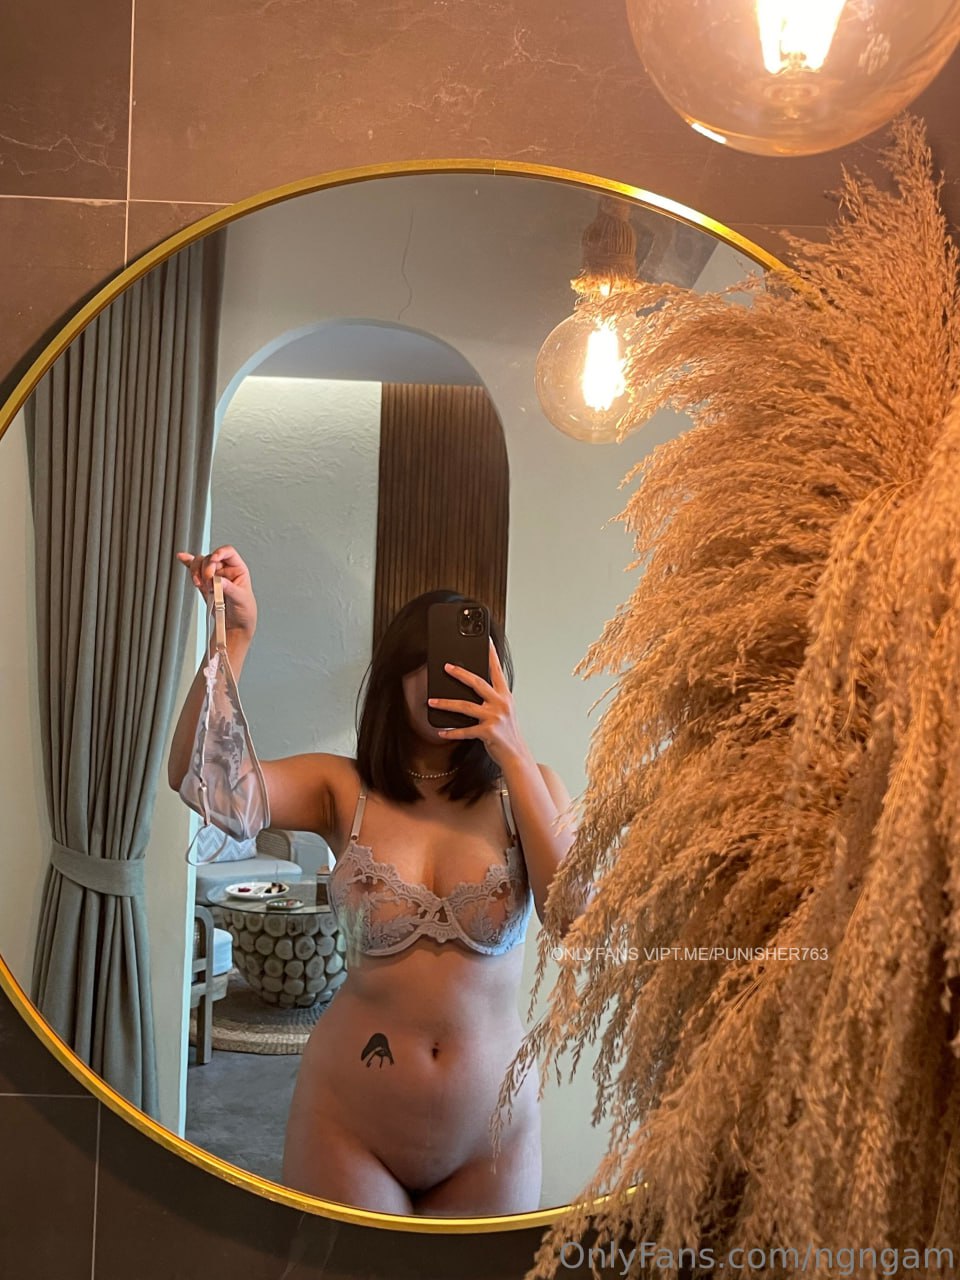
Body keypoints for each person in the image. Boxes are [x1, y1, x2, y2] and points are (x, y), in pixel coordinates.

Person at [168, 545, 579, 1216]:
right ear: (395, 674)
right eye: (431, 660)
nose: (449, 676)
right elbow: (204, 782)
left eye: (467, 664)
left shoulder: (529, 792)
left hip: (492, 1137)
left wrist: (513, 748)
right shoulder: (343, 787)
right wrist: (234, 636)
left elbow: (576, 916)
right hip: (348, 1124)